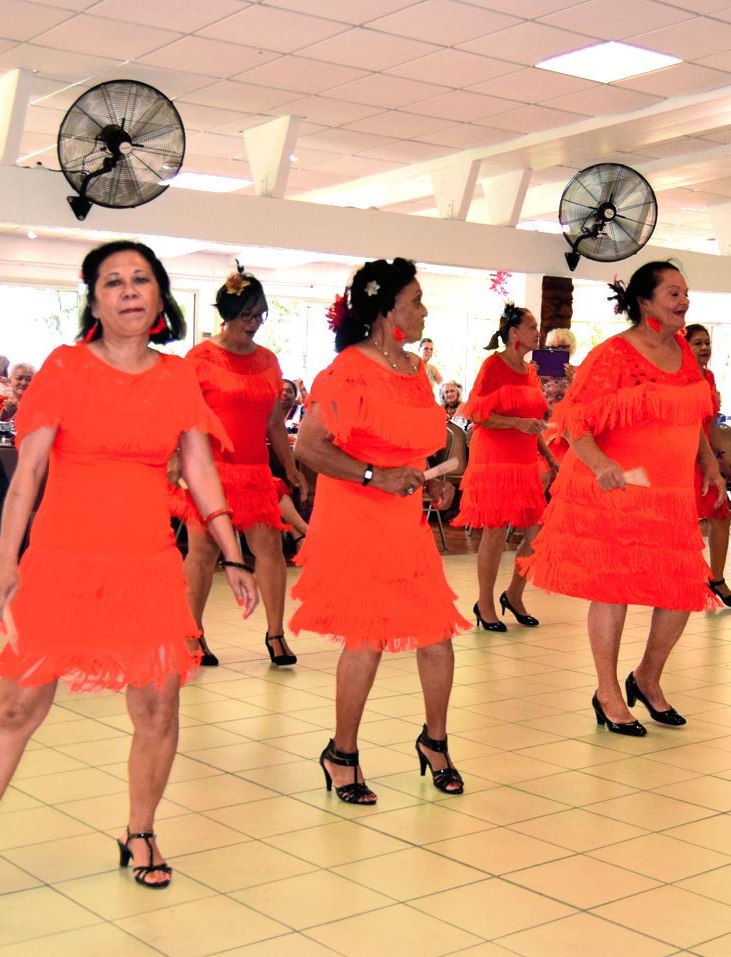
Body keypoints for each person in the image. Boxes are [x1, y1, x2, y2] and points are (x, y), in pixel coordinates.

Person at [0, 241, 257, 937]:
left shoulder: (177, 378)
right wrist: (5, 560)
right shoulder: (66, 368)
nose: (128, 291)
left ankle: (140, 830)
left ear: (159, 297)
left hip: (148, 562)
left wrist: (233, 551)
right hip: (63, 559)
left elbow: (199, 470)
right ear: (93, 300)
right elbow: (28, 473)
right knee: (16, 707)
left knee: (157, 705)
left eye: (141, 280)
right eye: (113, 282)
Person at [293, 258, 468, 805]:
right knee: (365, 637)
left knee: (436, 636)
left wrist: (437, 480)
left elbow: (430, 440)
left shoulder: (417, 370)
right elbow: (310, 447)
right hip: (355, 516)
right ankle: (342, 752)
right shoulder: (347, 370)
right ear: (386, 310)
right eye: (415, 300)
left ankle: (434, 741)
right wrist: (375, 474)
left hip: (405, 516)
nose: (423, 310)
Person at [522, 261, 723, 736]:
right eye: (673, 293)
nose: (684, 301)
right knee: (614, 593)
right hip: (621, 491)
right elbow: (575, 422)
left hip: (672, 495)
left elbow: (692, 414)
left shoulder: (683, 352)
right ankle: (608, 691)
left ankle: (647, 678)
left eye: (686, 292)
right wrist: (599, 465)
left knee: (681, 592)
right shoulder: (613, 354)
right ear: (644, 301)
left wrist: (709, 461)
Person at [178, 268, 305, 667]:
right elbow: (182, 419)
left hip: (253, 470)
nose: (253, 324)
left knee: (268, 548)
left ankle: (276, 633)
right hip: (211, 471)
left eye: (260, 315)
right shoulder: (200, 358)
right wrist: (173, 464)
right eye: (246, 315)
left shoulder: (268, 360)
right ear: (228, 313)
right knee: (202, 550)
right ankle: (191, 635)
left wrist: (290, 466)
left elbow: (273, 423)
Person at [456, 304, 557, 631]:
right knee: (496, 531)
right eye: (531, 327)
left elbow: (534, 423)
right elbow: (477, 415)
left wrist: (550, 457)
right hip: (495, 460)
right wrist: (518, 423)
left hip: (526, 460)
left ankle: (514, 594)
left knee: (536, 533)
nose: (537, 333)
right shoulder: (493, 366)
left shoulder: (532, 370)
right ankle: (485, 602)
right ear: (514, 333)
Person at [686, 323, 731, 607]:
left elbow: (710, 421)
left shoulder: (708, 377)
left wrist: (720, 456)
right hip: (683, 456)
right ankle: (684, 578)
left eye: (707, 342)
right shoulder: (677, 376)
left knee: (720, 515)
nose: (705, 347)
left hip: (706, 456)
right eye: (697, 343)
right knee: (683, 520)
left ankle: (716, 578)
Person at [539, 327, 578, 417]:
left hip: (566, 423)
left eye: (561, 347)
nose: (555, 351)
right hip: (540, 424)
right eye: (551, 347)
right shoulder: (539, 372)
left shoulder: (578, 372)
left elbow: (583, 403)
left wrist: (572, 380)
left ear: (571, 348)